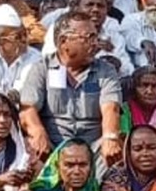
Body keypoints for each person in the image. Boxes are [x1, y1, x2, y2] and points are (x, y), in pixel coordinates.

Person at [19, 10, 123, 166]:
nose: (95, 43)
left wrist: (110, 136)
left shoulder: (105, 70)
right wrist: (37, 132)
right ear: (63, 42)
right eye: (88, 38)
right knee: (32, 151)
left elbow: (111, 108)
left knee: (114, 154)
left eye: (96, 37)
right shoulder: (42, 69)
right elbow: (27, 108)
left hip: (94, 148)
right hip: (53, 146)